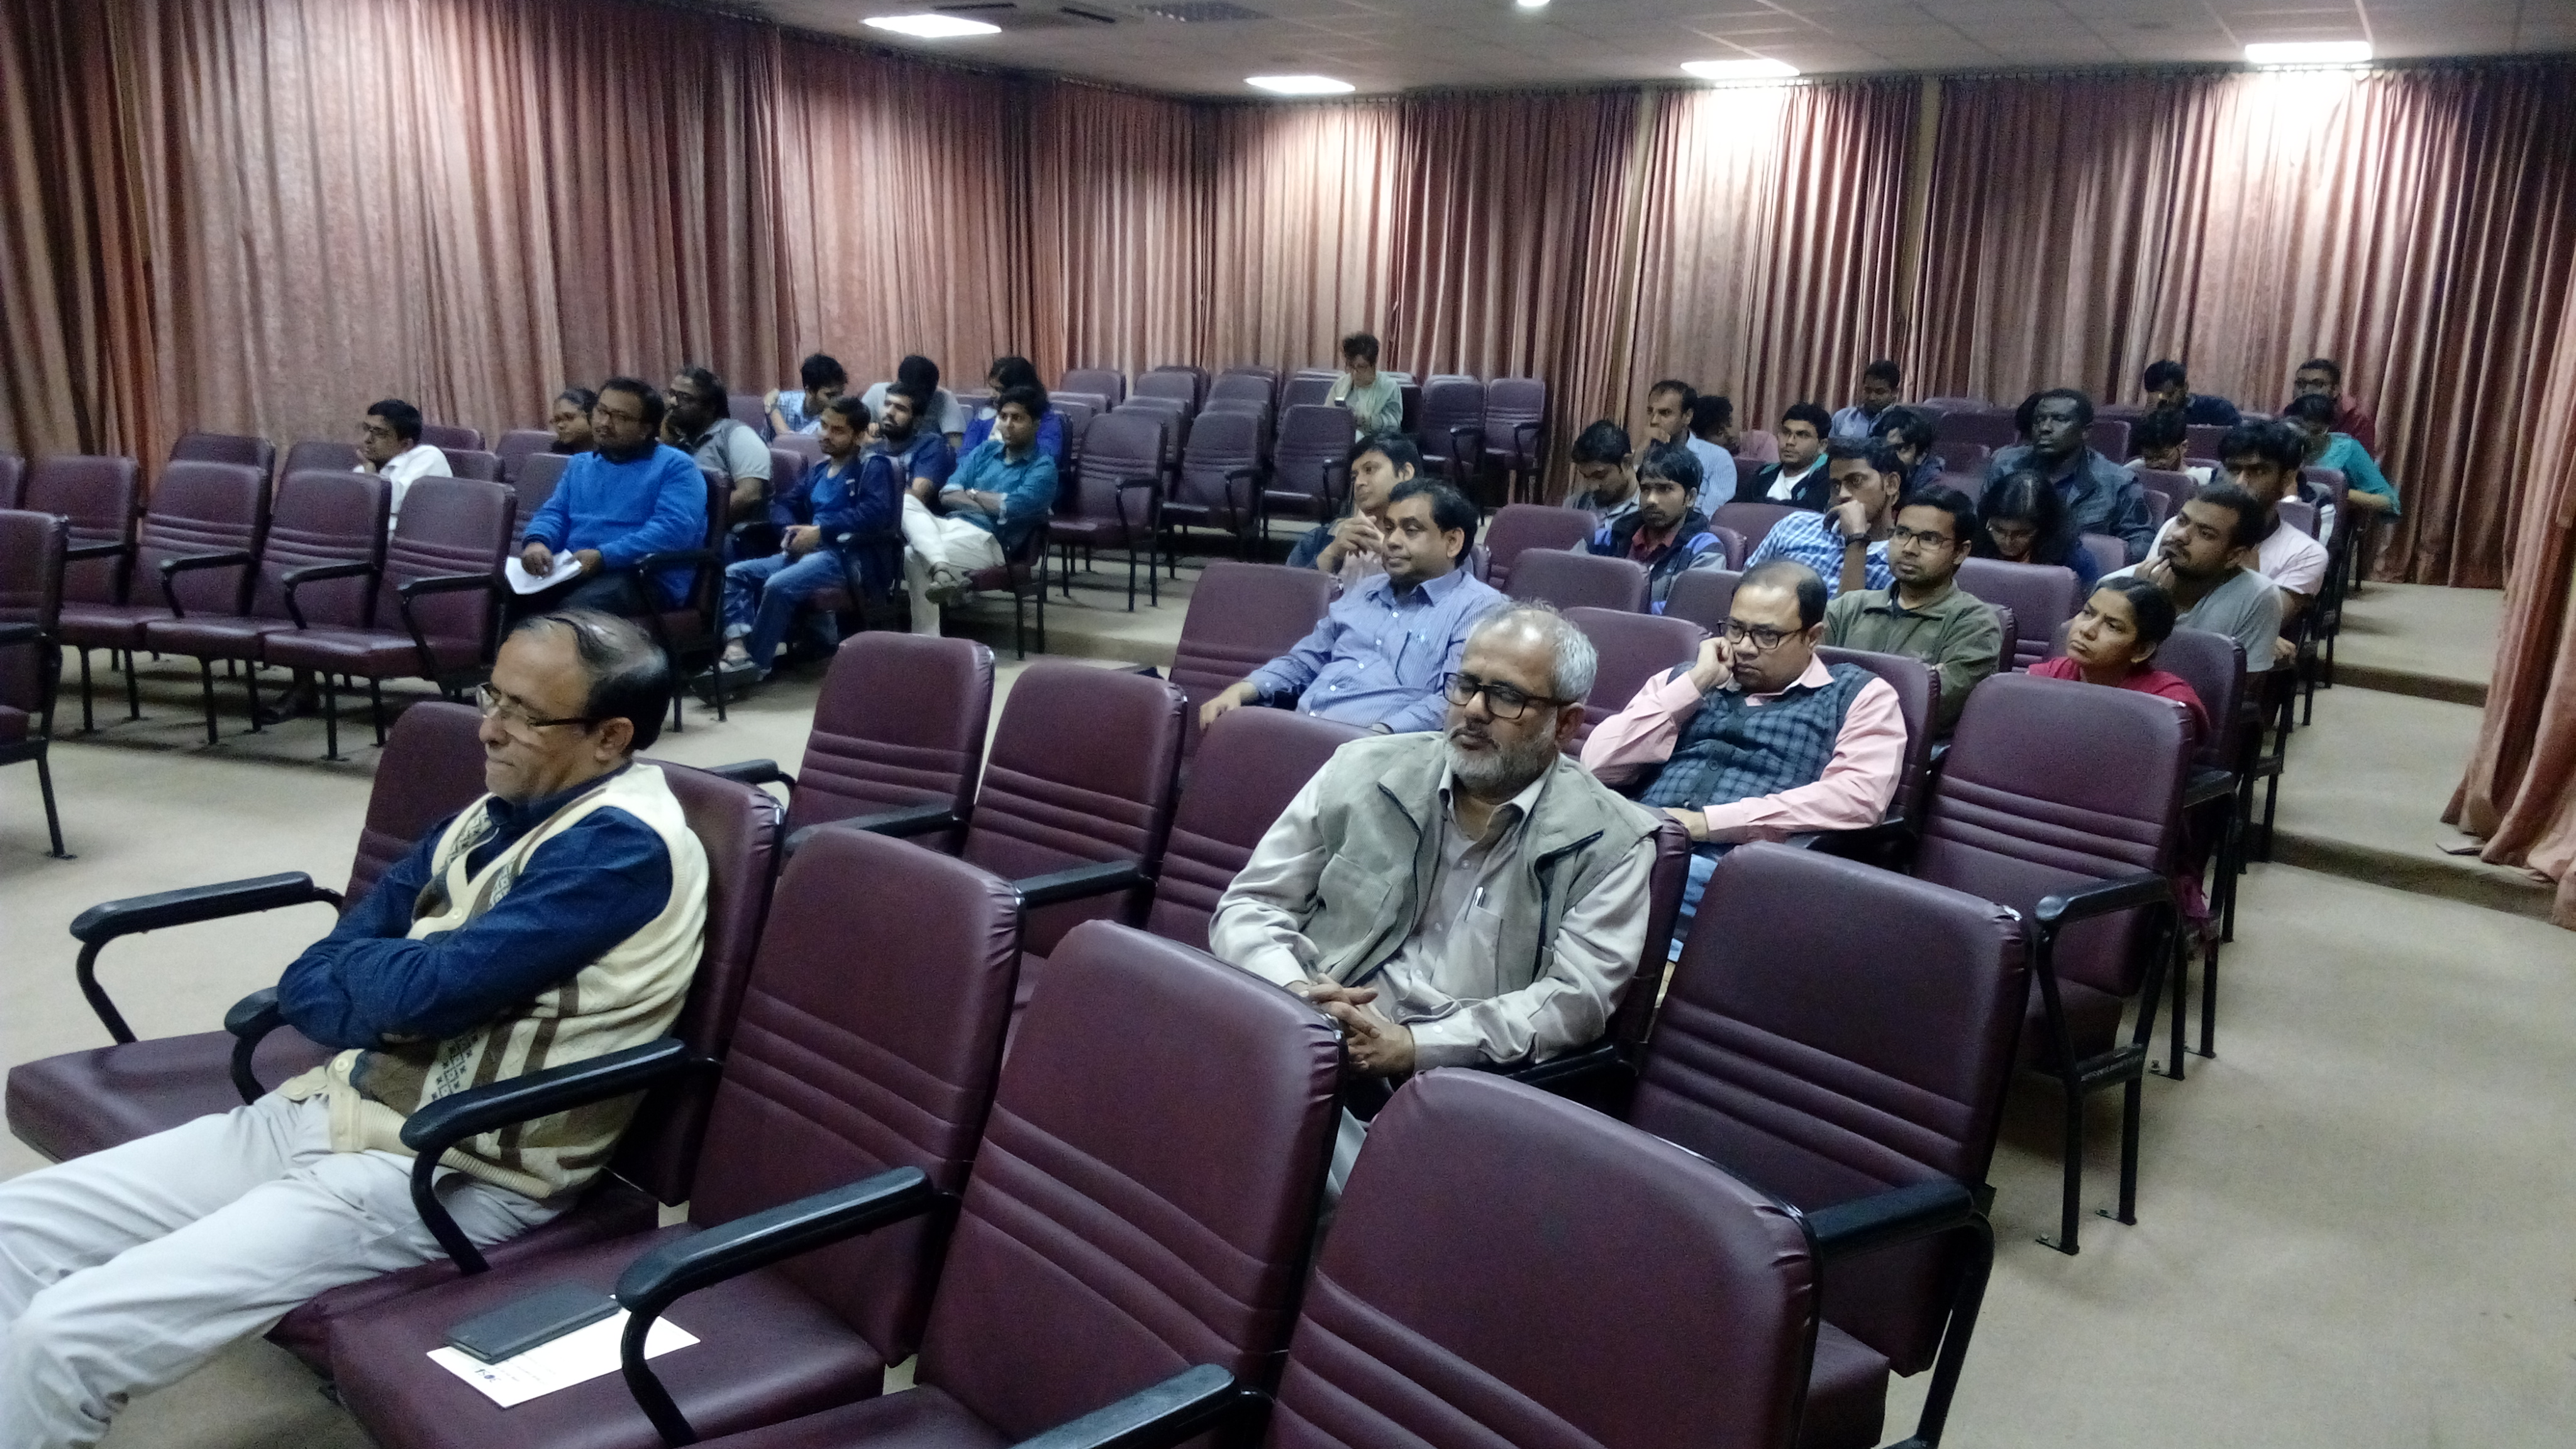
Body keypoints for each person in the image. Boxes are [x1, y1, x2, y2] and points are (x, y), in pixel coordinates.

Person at [0, 609, 708, 1449]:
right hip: (335, 1106)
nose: (489, 728)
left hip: (448, 1168)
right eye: (492, 696)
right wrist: (392, 986)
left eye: (524, 714)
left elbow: (423, 994)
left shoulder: (618, 851)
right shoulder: (493, 815)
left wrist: (390, 986)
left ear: (610, 737)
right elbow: (321, 972)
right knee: (13, 1229)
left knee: (64, 1340)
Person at [1212, 602, 1657, 1185]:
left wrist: (1414, 1045)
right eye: (1466, 684)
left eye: (1506, 696)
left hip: (1451, 1092)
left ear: (1566, 724)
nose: (1473, 710)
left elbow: (1574, 1002)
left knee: (1254, 1154)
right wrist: (1297, 994)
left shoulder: (1611, 840)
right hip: (1305, 1038)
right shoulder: (1361, 770)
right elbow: (1251, 905)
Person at [1582, 559, 1905, 943]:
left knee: (1596, 886)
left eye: (1767, 635)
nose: (1745, 648)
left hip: (1731, 871)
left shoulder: (1859, 695)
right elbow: (1596, 764)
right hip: (1635, 845)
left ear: (1813, 636)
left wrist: (1706, 823)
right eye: (1736, 629)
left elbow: (1859, 797)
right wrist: (1696, 682)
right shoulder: (1687, 679)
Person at [1200, 480, 1501, 736]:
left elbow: (1453, 700)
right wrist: (1242, 690)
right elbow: (1306, 660)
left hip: (1382, 754)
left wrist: (1376, 738)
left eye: (1411, 530)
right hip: (1301, 732)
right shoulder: (1366, 590)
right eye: (1389, 528)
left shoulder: (1479, 609)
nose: (1392, 541)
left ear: (1453, 542)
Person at [706, 396, 901, 691]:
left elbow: (875, 514)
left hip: (850, 556)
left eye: (838, 430)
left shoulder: (873, 467)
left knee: (778, 585)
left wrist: (821, 532)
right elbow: (784, 503)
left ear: (860, 435)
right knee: (736, 573)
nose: (825, 434)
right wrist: (789, 531)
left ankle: (755, 666)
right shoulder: (820, 470)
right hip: (811, 552)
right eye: (824, 426)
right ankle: (736, 650)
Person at [516, 377, 711, 617]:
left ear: (646, 429)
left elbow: (673, 531)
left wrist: (604, 557)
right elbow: (555, 513)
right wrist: (538, 542)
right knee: (503, 600)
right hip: (575, 568)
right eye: (601, 411)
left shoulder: (677, 466)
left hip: (644, 575)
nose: (604, 423)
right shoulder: (580, 464)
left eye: (620, 417)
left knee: (574, 611)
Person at [1824, 484, 2002, 734]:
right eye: (1901, 533)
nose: (1909, 549)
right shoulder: (1847, 607)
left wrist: (1838, 687)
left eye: (1929, 539)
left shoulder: (1975, 625)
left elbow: (1928, 706)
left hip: (1908, 749)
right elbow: (1802, 680)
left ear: (1961, 552)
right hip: (1826, 735)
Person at [899, 384, 1057, 636]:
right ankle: (943, 569)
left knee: (913, 554)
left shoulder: (1043, 468)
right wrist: (990, 502)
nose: (1007, 424)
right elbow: (947, 494)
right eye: (1003, 417)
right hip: (951, 525)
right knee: (905, 502)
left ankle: (927, 639)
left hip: (991, 541)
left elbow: (1011, 508)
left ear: (1036, 424)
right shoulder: (986, 450)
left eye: (1017, 418)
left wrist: (971, 494)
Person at [2185, 420, 2330, 662]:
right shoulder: (2184, 527)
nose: (2241, 483)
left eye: (2258, 471)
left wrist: (2247, 570)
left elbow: (2260, 623)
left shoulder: (2306, 553)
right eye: (2233, 470)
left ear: (2287, 478)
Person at [2104, 483, 2283, 674]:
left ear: (2233, 556)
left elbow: (2240, 686)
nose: (2179, 535)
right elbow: (2098, 677)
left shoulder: (2259, 597)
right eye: (2181, 521)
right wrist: (2143, 606)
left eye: (2205, 534)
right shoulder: (2112, 589)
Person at [2032, 575, 2211, 744]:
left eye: (2112, 626)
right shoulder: (2048, 675)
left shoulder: (2165, 707)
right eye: (2087, 613)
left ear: (2141, 650)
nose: (2087, 630)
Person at [1985, 387, 2153, 562]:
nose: (2045, 428)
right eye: (2038, 420)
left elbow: (2141, 542)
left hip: (2081, 571)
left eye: (2059, 419)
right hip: (2006, 567)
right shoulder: (2006, 466)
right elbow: (1982, 525)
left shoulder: (2118, 481)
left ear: (2085, 431)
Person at [1744, 436, 1902, 598]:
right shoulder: (1795, 525)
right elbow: (1743, 588)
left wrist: (1856, 541)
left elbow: (1849, 614)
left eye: (1856, 481)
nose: (1843, 495)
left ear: (1891, 484)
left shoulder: (1900, 562)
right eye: (1836, 485)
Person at [1586, 452, 1731, 614]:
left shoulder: (1704, 549)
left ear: (1690, 498)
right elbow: (1572, 584)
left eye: (1665, 489)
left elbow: (1690, 612)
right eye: (1645, 489)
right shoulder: (1607, 539)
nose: (1651, 500)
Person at [1285, 435, 1420, 596]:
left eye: (1369, 470)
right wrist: (1330, 555)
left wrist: (1390, 552)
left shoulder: (1432, 542)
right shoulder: (1320, 539)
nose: (1359, 483)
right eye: (1354, 477)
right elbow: (1285, 599)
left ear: (1405, 473)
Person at [664, 366, 771, 525]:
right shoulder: (677, 440)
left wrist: (697, 524)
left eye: (685, 397)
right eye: (671, 394)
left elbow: (749, 495)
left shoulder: (738, 435)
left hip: (727, 532)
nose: (672, 402)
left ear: (710, 407)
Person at [1974, 467, 2100, 588]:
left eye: (2022, 534)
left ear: (2044, 527)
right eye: (1998, 530)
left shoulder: (2075, 559)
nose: (2007, 542)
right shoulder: (1972, 545)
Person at [2283, 393, 2399, 518]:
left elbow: (2389, 503)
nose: (2308, 438)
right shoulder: (2284, 443)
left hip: (2329, 520)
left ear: (2328, 428)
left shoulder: (2347, 449)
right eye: (2301, 432)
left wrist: (2340, 492)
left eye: (2316, 432)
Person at [356, 398, 453, 531]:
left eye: (379, 433)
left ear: (406, 444)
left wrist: (369, 475)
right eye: (367, 429)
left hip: (416, 539)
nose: (367, 439)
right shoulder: (366, 468)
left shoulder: (429, 457)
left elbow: (395, 502)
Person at [961, 355, 1067, 465]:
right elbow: (965, 453)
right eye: (992, 388)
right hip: (978, 473)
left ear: (1020, 389)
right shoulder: (985, 414)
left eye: (999, 390)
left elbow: (1047, 456)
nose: (992, 394)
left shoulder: (1044, 419)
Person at [1736, 403, 1833, 509]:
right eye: (1786, 433)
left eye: (1802, 435)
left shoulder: (1831, 477)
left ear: (1822, 445)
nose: (1790, 442)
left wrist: (1758, 505)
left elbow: (1806, 511)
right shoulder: (1764, 473)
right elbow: (1735, 508)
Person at [872, 385, 958, 504]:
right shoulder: (870, 447)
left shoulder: (930, 445)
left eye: (901, 409)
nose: (889, 412)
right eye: (887, 404)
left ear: (917, 421)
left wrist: (869, 494)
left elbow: (917, 497)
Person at [862, 355, 967, 444]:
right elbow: (856, 430)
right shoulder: (877, 392)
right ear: (898, 383)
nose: (890, 412)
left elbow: (956, 445)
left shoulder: (944, 398)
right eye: (887, 404)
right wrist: (869, 437)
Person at [2287, 355, 2377, 453]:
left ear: (2335, 390)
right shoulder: (2287, 414)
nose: (2306, 390)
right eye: (2300, 384)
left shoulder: (2357, 421)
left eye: (2317, 384)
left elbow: (2362, 460)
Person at [1564, 421, 1641, 526]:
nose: (1592, 487)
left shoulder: (1648, 510)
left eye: (1600, 476)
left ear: (1627, 463)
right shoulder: (1575, 506)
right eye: (1586, 477)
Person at [1327, 331, 1403, 436]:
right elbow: (1326, 415)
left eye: (1361, 367)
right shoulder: (1341, 384)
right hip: (1340, 438)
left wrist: (1368, 422)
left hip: (1374, 441)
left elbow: (1394, 424)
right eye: (1351, 367)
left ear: (1373, 365)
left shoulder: (1389, 387)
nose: (1354, 373)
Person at [764, 352, 848, 437]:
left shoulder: (835, 419)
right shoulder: (781, 401)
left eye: (841, 394)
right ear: (810, 390)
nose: (838, 401)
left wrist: (773, 409)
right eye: (830, 395)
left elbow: (790, 441)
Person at [2143, 359, 2242, 428]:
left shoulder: (2219, 408)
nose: (2167, 401)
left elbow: (2237, 445)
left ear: (2185, 387)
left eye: (2170, 394)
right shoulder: (2154, 414)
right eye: (2160, 396)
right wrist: (2148, 418)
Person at [1870, 405, 1947, 492]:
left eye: (1902, 449)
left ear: (1921, 456)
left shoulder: (1933, 487)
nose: (1891, 457)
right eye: (1886, 449)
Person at [2129, 406, 2206, 483]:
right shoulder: (2133, 470)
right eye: (2148, 458)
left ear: (2184, 446)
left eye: (2163, 456)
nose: (2154, 464)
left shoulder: (2203, 479)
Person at [1830, 358, 1902, 440]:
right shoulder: (1842, 417)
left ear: (1894, 392)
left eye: (1879, 392)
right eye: (1868, 390)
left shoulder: (1902, 424)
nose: (1872, 397)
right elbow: (1825, 447)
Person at [548, 388, 597, 455]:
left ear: (591, 417)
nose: (560, 425)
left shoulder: (608, 453)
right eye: (557, 420)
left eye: (569, 417)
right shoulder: (556, 456)